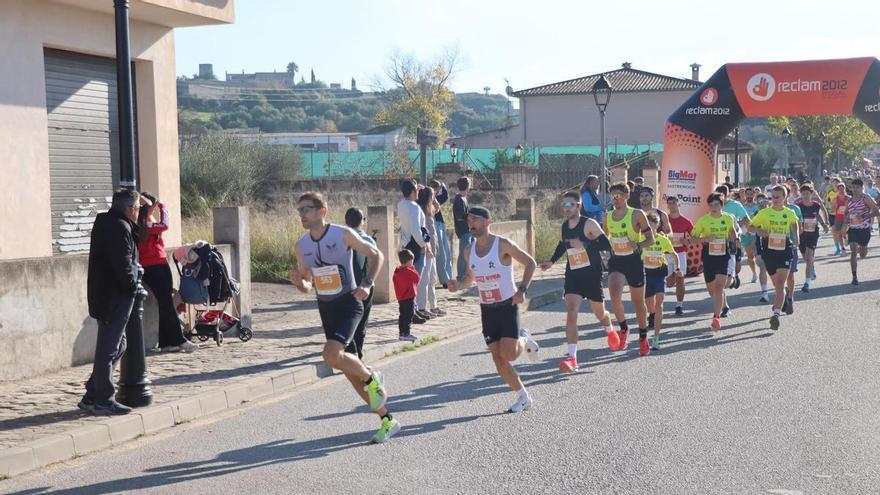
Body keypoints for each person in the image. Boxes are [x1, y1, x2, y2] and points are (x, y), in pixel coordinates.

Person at [288, 192, 399, 443]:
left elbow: (376, 255)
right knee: (349, 372)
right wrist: (300, 282)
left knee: (331, 355)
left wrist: (368, 284)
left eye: (306, 209)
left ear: (322, 211)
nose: (302, 215)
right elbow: (308, 283)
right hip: (326, 308)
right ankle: (387, 419)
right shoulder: (301, 245)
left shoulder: (342, 234)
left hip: (349, 303)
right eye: (300, 210)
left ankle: (372, 376)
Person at [448, 206, 539, 413]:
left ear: (487, 222)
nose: (471, 223)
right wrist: (458, 286)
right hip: (487, 310)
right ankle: (523, 396)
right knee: (498, 360)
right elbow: (470, 279)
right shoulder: (468, 251)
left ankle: (524, 339)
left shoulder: (502, 245)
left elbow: (530, 263)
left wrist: (522, 289)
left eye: (475, 219)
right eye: (469, 220)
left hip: (508, 305)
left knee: (509, 355)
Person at [80, 188, 145, 416]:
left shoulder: (107, 222)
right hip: (114, 296)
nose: (138, 213)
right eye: (137, 209)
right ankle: (103, 400)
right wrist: (132, 287)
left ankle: (92, 394)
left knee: (120, 345)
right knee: (108, 349)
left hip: (105, 294)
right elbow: (123, 263)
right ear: (129, 209)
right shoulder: (119, 227)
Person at [539, 192, 618, 373]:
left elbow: (606, 245)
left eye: (570, 205)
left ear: (579, 205)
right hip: (573, 274)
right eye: (564, 205)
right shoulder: (564, 226)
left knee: (600, 313)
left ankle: (609, 327)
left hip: (592, 275)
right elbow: (562, 244)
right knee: (571, 312)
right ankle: (572, 358)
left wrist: (585, 244)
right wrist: (551, 261)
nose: (566, 208)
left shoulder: (589, 224)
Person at [138, 192, 197, 353]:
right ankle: (179, 339)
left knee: (165, 303)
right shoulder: (145, 225)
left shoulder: (142, 224)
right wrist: (163, 206)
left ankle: (166, 343)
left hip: (153, 265)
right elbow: (165, 224)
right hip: (156, 266)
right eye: (152, 206)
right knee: (166, 303)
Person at [605, 182, 655, 356]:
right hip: (617, 261)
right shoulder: (608, 216)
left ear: (626, 196)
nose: (615, 199)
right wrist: (604, 252)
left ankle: (643, 337)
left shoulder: (637, 214)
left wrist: (638, 245)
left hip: (634, 261)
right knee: (614, 297)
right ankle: (624, 329)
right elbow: (605, 238)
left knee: (638, 302)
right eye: (613, 196)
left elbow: (651, 239)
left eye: (618, 196)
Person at [748, 186, 799, 330]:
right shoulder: (764, 213)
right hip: (769, 252)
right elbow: (750, 227)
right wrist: (759, 230)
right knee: (777, 286)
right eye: (773, 197)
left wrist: (797, 238)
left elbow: (794, 225)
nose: (775, 199)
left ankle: (775, 315)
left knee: (780, 284)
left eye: (778, 197)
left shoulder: (789, 213)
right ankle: (785, 295)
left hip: (785, 251)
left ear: (784, 197)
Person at [690, 193, 738, 332]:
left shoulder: (728, 218)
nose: (714, 207)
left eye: (716, 204)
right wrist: (705, 239)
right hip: (709, 257)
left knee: (718, 288)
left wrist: (735, 242)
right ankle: (721, 300)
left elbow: (732, 231)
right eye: (711, 205)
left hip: (723, 256)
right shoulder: (703, 220)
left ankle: (716, 318)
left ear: (722, 205)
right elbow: (693, 239)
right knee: (713, 292)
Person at [344, 208, 377, 359]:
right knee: (362, 320)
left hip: (345, 286)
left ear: (346, 221)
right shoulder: (368, 240)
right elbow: (374, 261)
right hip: (364, 285)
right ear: (362, 221)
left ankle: (351, 350)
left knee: (348, 319)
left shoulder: (341, 239)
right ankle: (359, 353)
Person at [642, 212, 678, 348]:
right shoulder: (641, 238)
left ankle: (656, 337)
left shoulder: (663, 240)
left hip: (659, 275)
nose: (650, 228)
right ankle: (651, 315)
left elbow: (673, 254)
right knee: (648, 304)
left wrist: (677, 269)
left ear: (657, 225)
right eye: (647, 225)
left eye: (652, 225)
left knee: (659, 305)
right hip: (646, 275)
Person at [795, 184, 829, 292]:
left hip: (813, 234)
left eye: (807, 193)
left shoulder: (816, 205)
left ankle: (806, 283)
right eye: (803, 194)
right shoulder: (798, 206)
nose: (805, 196)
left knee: (809, 257)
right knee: (806, 258)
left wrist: (824, 224)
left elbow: (817, 215)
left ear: (811, 194)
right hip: (801, 234)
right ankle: (811, 268)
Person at [845, 178, 879, 285]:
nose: (855, 189)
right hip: (853, 229)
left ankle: (863, 248)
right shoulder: (849, 200)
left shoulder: (866, 198)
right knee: (853, 252)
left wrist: (864, 215)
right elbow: (846, 214)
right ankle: (854, 276)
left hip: (864, 229)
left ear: (861, 187)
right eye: (853, 187)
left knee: (863, 254)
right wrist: (843, 227)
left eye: (857, 187)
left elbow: (876, 212)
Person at [416, 187, 443, 318]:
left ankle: (434, 305)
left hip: (432, 249)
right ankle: (422, 307)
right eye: (432, 196)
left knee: (432, 279)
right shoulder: (420, 211)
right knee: (424, 280)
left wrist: (433, 197)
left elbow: (438, 207)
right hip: (426, 250)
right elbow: (423, 233)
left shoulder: (429, 209)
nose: (434, 199)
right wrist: (428, 249)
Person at [665, 195, 693, 316]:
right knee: (669, 282)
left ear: (678, 204)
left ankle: (679, 305)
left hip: (680, 253)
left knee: (680, 279)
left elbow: (694, 238)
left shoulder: (686, 221)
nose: (671, 205)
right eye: (669, 203)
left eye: (673, 203)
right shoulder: (664, 220)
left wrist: (687, 242)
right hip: (666, 254)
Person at [397, 177, 429, 280]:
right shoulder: (414, 207)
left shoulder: (401, 204)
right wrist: (423, 244)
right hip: (416, 245)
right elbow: (416, 229)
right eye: (416, 190)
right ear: (412, 191)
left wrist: (414, 188)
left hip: (406, 244)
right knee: (416, 279)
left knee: (407, 279)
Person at [429, 179, 453, 287]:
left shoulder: (435, 198)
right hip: (436, 224)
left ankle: (447, 278)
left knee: (446, 252)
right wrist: (443, 186)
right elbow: (445, 196)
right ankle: (445, 279)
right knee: (442, 253)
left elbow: (444, 197)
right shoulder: (429, 198)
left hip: (440, 224)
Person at [393, 249, 420, 342]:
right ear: (409, 261)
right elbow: (417, 278)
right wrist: (413, 268)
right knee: (409, 315)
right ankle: (407, 333)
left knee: (402, 315)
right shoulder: (409, 271)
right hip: (409, 296)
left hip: (401, 297)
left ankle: (401, 333)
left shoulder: (397, 271)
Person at [452, 176, 472, 280]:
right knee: (464, 252)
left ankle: (467, 274)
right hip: (463, 230)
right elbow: (460, 216)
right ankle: (460, 275)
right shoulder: (459, 199)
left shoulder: (463, 198)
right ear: (467, 186)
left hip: (468, 229)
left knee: (469, 252)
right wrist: (470, 217)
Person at [741, 187, 761, 283]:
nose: (749, 196)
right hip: (745, 234)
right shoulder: (742, 207)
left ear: (754, 195)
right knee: (750, 257)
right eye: (747, 194)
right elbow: (738, 220)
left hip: (754, 234)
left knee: (756, 254)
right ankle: (754, 273)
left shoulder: (757, 206)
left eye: (751, 194)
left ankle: (762, 269)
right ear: (745, 195)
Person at [830, 180, 849, 256]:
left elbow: (851, 208)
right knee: (838, 234)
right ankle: (843, 249)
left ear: (845, 189)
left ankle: (845, 236)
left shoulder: (848, 198)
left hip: (846, 217)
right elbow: (832, 209)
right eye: (839, 189)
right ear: (837, 190)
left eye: (842, 189)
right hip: (838, 217)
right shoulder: (835, 199)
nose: (841, 190)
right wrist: (833, 207)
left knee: (843, 231)